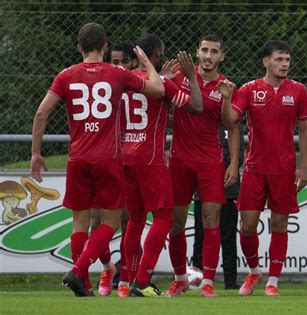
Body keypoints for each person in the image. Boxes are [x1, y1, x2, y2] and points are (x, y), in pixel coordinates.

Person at [30, 22, 165, 297]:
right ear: (104, 46)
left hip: (77, 157)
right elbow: (157, 90)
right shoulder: (117, 73)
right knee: (110, 222)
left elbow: (42, 113)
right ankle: (79, 271)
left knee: (79, 224)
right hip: (108, 157)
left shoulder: (65, 75)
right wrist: (147, 64)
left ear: (79, 47)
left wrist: (36, 152)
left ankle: (84, 284)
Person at [220, 40, 307, 296]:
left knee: (280, 225)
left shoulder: (299, 91)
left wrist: (305, 167)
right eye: (279, 59)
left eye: (287, 60)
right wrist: (226, 100)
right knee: (247, 227)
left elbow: (304, 131)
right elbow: (230, 121)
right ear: (266, 62)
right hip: (254, 168)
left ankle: (273, 281)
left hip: (284, 170)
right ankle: (254, 272)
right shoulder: (249, 89)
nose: (284, 64)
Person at [120, 33, 203, 298]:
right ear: (155, 55)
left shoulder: (124, 81)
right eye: (162, 52)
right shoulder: (163, 84)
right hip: (150, 158)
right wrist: (190, 77)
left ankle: (130, 279)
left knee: (134, 220)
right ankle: (142, 281)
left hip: (126, 156)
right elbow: (196, 107)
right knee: (164, 218)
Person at [165, 34, 240, 298]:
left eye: (214, 52)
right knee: (176, 223)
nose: (209, 56)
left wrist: (234, 165)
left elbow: (232, 125)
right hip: (180, 159)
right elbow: (164, 110)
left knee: (211, 219)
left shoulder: (226, 87)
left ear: (222, 56)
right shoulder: (179, 76)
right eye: (205, 50)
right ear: (197, 52)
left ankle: (207, 280)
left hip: (211, 160)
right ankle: (179, 279)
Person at [89, 41, 138, 298]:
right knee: (96, 222)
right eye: (114, 61)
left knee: (129, 222)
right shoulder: (104, 87)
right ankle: (107, 268)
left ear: (133, 63)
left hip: (131, 163)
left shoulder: (140, 86)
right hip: (106, 160)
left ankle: (125, 276)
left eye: (123, 62)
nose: (119, 66)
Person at [192, 124, 245, 290]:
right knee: (200, 236)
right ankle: (197, 278)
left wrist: (223, 166)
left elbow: (239, 158)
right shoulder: (204, 124)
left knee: (228, 238)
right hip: (204, 188)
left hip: (229, 188)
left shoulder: (233, 126)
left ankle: (230, 281)